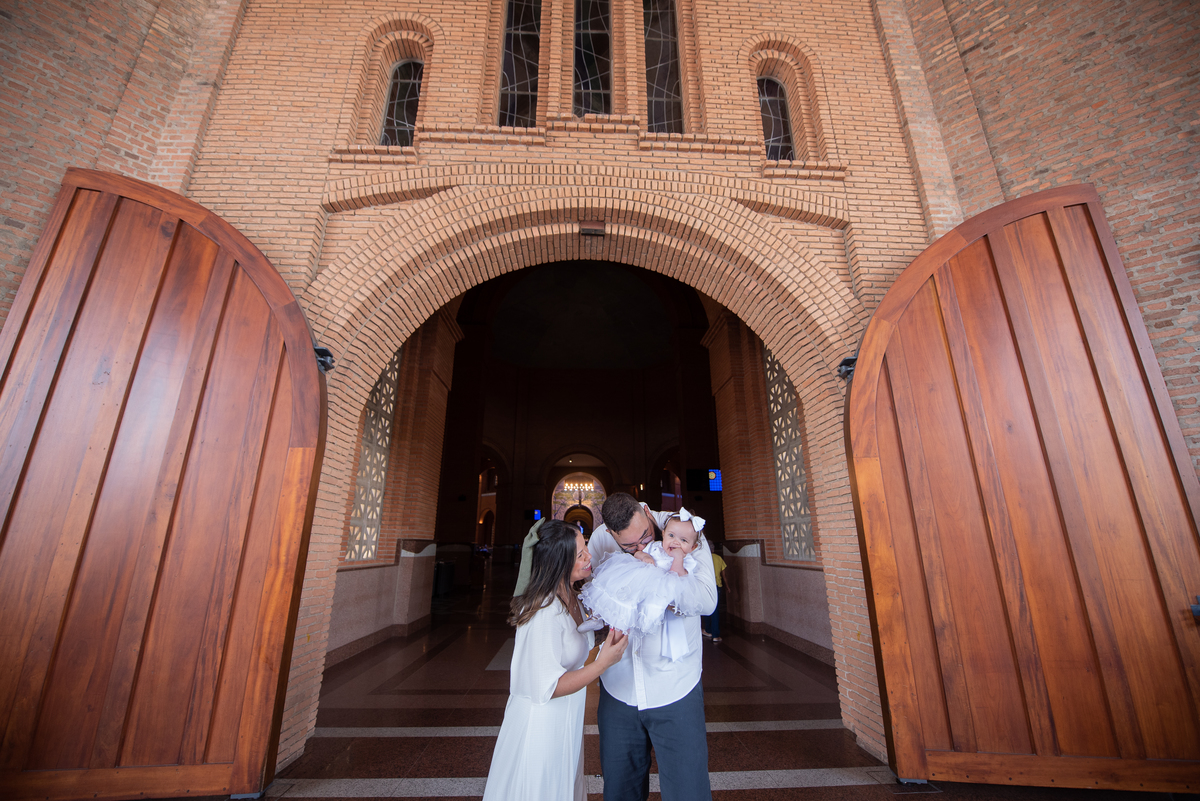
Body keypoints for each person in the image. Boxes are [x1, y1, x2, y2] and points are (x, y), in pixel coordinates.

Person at [483, 519, 629, 801]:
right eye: (580, 554)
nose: (589, 558)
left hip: (566, 718)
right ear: (558, 562)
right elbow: (547, 686)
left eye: (586, 548)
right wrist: (601, 664)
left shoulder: (572, 596)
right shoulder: (543, 611)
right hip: (541, 725)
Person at [587, 493, 717, 801]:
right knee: (620, 789)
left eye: (645, 536)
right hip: (619, 686)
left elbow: (708, 600)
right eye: (629, 545)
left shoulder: (684, 530)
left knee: (688, 790)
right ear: (610, 534)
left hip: (674, 684)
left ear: (647, 512)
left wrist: (660, 587)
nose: (641, 547)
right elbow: (587, 585)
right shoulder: (601, 540)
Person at [579, 509, 706, 651]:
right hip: (638, 579)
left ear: (692, 547)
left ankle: (618, 641)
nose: (676, 542)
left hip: (657, 591)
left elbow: (676, 576)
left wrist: (678, 557)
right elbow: (638, 553)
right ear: (663, 534)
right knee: (615, 592)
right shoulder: (655, 546)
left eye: (683, 540)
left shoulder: (687, 561)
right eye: (671, 536)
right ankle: (597, 617)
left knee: (632, 612)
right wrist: (645, 557)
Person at [702, 547, 729, 643]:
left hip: (705, 586)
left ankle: (708, 630)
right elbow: (724, 576)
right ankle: (716, 635)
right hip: (717, 586)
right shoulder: (718, 558)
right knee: (715, 609)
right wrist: (727, 586)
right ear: (713, 549)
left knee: (706, 608)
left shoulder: (703, 558)